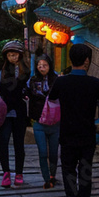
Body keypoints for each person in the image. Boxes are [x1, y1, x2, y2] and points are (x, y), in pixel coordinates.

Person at [47, 43, 99, 197]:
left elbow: (52, 98)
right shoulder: (96, 84)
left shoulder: (61, 81)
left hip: (67, 134)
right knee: (85, 170)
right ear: (87, 61)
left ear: (71, 59)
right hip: (88, 134)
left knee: (68, 169)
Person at [0, 40, 30, 187]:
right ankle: (6, 173)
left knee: (18, 143)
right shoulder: (2, 72)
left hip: (20, 112)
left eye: (14, 55)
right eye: (9, 55)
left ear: (19, 55)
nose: (12, 57)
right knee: (3, 141)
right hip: (5, 112)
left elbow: (29, 88)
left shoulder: (26, 71)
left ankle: (19, 173)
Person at [28, 54, 59, 189]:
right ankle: (46, 179)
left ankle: (53, 174)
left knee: (53, 152)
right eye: (39, 66)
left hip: (55, 122)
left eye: (44, 65)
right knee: (42, 152)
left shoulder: (57, 80)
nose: (42, 68)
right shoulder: (32, 81)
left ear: (49, 66)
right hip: (39, 121)